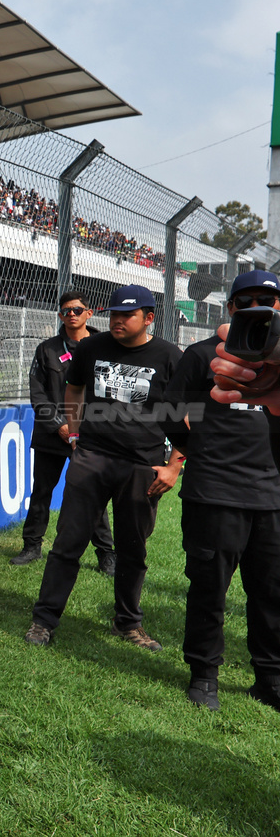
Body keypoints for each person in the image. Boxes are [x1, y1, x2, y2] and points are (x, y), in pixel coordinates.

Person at [25, 284, 183, 651]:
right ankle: (44, 620)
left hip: (143, 465)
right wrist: (76, 434)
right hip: (92, 458)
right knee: (68, 542)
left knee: (133, 549)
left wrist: (174, 465)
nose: (118, 320)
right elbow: (75, 388)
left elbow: (187, 414)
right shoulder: (91, 348)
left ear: (149, 318)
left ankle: (128, 623)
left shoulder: (169, 356)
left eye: (127, 315)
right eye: (113, 314)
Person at [163, 269, 280, 712]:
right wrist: (199, 450)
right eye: (245, 301)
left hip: (273, 496)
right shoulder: (201, 356)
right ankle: (204, 674)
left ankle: (270, 678)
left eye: (267, 301)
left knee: (272, 592)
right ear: (230, 308)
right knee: (209, 589)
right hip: (215, 493)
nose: (256, 309)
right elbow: (171, 413)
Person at [14, 291, 116, 571]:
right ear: (60, 315)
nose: (71, 314)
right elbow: (38, 394)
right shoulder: (46, 349)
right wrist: (61, 425)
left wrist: (88, 428)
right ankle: (31, 546)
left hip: (91, 437)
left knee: (93, 495)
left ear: (89, 313)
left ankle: (106, 554)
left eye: (77, 309)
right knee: (42, 492)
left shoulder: (105, 347)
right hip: (52, 434)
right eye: (66, 311)